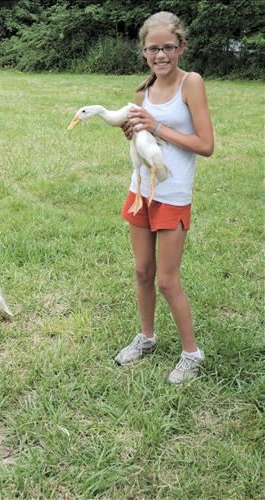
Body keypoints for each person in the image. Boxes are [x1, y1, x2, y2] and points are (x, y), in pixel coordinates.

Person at [115, 11, 214, 384]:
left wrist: (157, 126)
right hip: (140, 190)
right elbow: (144, 140)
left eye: (168, 47)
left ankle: (192, 353)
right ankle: (147, 337)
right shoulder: (141, 91)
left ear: (181, 47)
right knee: (142, 271)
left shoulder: (191, 83)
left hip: (172, 195)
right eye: (153, 48)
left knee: (168, 280)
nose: (161, 55)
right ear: (143, 51)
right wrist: (135, 133)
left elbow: (205, 145)